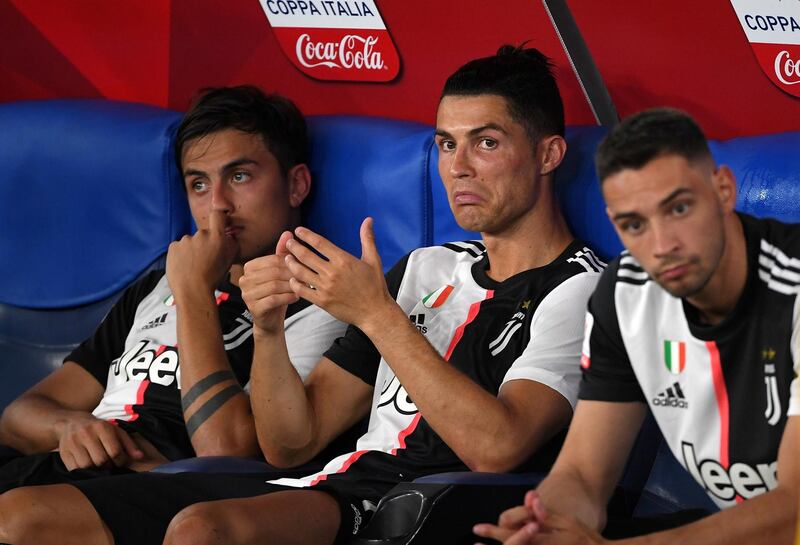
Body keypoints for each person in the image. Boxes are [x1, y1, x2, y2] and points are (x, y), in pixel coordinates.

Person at [0, 45, 603, 545]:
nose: (459, 167)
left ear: (549, 154)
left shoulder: (583, 286)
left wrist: (375, 314)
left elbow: (498, 450)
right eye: (447, 144)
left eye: (487, 143)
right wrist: (265, 330)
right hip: (329, 486)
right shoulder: (426, 266)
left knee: (198, 532)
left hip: (428, 508)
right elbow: (293, 443)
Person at [474, 108, 800, 545]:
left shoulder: (793, 286)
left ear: (722, 190)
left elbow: (793, 509)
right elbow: (584, 475)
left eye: (679, 208)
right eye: (635, 225)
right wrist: (545, 522)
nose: (663, 245)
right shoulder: (626, 295)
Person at [0, 85, 344, 491]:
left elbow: (228, 454)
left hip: (152, 488)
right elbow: (20, 415)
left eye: (239, 176)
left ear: (296, 185)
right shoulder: (159, 283)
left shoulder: (320, 305)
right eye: (198, 184)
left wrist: (194, 293)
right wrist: (71, 426)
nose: (217, 204)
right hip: (67, 466)